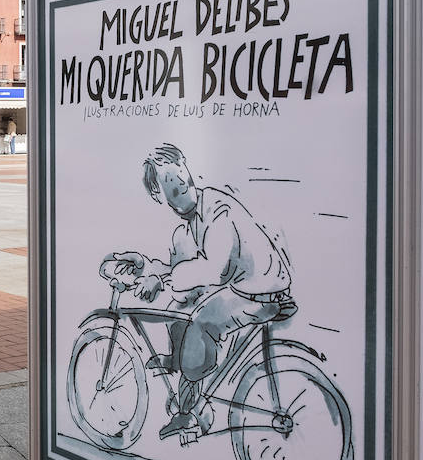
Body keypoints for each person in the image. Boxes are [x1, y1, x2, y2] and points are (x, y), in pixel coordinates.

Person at [113, 145, 294, 441]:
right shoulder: (186, 229)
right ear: (159, 193)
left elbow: (213, 270)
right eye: (169, 183)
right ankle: (179, 362)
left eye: (179, 176)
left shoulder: (217, 209)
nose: (179, 184)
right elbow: (180, 269)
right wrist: (147, 268)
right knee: (176, 308)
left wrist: (164, 279)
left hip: (262, 290)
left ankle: (188, 413)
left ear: (186, 167)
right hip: (244, 286)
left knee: (201, 322)